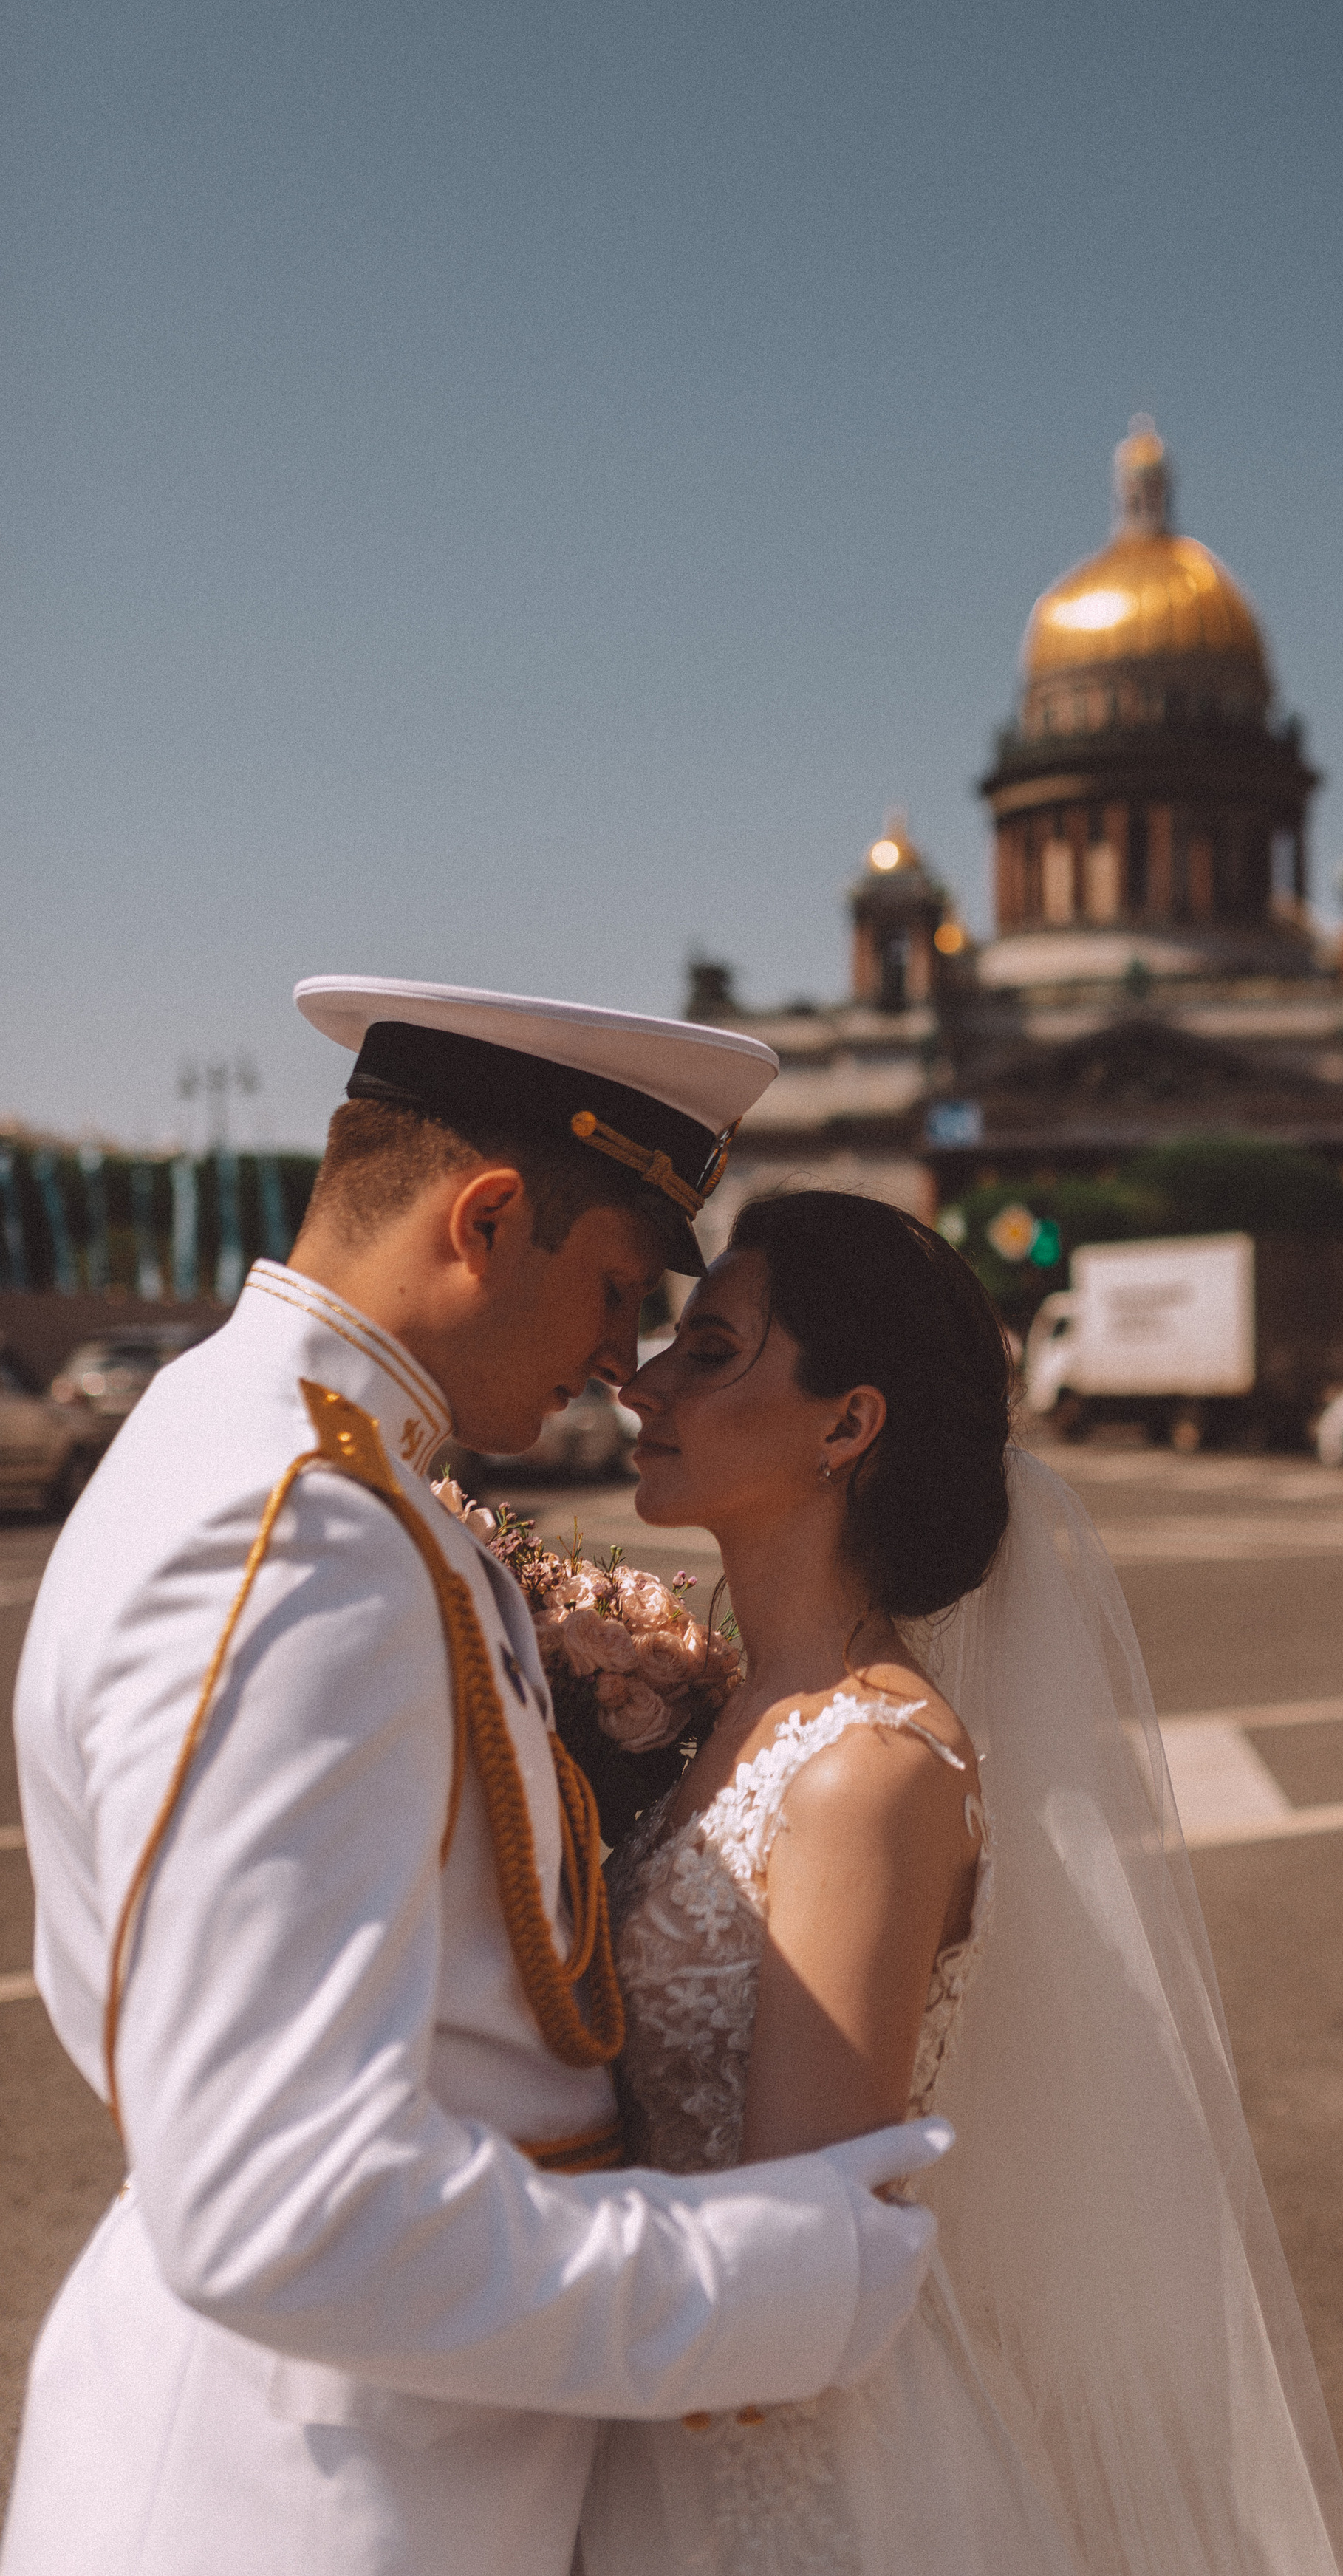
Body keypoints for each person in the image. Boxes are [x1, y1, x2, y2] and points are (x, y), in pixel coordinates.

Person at [3, 981, 949, 2576]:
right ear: (488, 1219)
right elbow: (283, 2207)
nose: (619, 1359)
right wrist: (772, 2282)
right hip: (307, 2501)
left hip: (369, 2457)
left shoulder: (287, 1457)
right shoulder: (297, 1531)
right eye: (615, 1289)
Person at [580, 1189, 1343, 2576]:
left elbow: (799, 2234)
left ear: (848, 1423)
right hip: (656, 2407)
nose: (642, 1381)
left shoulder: (866, 1769)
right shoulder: (727, 1710)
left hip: (774, 2464)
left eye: (710, 1352)